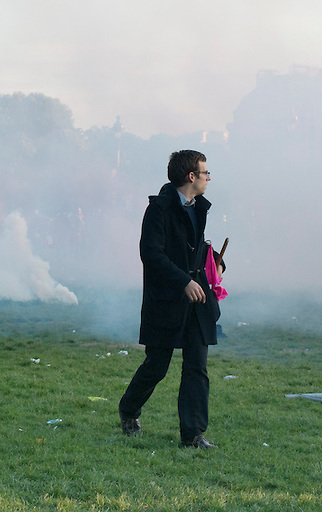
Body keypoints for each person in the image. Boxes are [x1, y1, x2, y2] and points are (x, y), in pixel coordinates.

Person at [118, 150, 225, 449]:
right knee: (157, 364)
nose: (208, 178)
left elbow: (194, 247)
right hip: (166, 299)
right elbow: (152, 255)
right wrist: (183, 282)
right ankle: (128, 410)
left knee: (197, 366)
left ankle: (193, 435)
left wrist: (215, 263)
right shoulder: (159, 209)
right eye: (205, 173)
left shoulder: (198, 207)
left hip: (198, 298)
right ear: (191, 176)